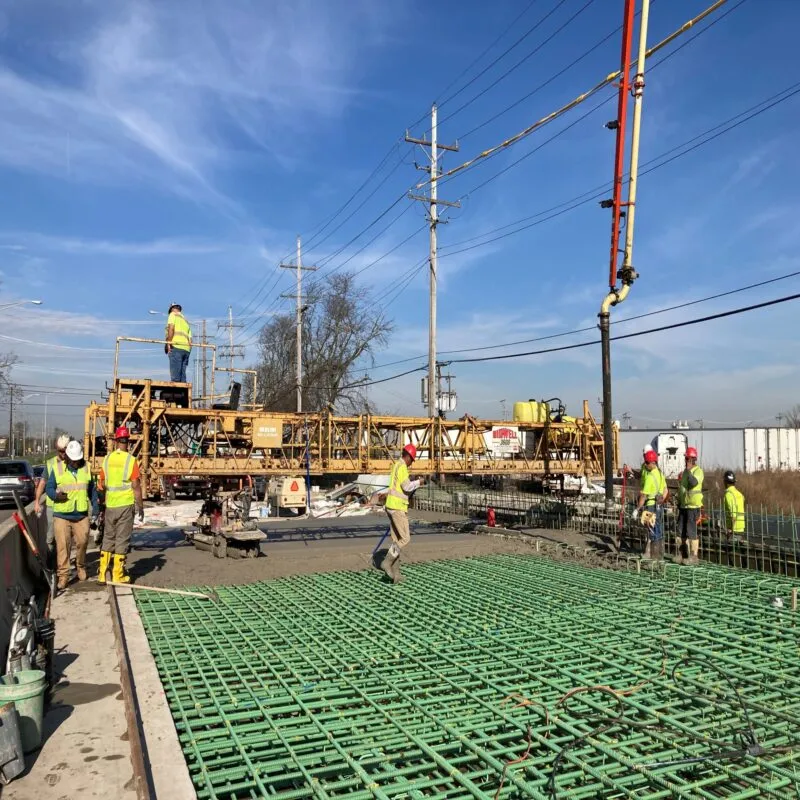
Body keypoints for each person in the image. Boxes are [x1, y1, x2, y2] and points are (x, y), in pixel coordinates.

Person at [45, 440, 99, 591]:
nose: (75, 462)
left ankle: (80, 566)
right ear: (67, 457)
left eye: (78, 460)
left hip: (81, 514)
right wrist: (55, 495)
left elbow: (92, 490)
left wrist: (95, 508)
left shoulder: (86, 468)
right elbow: (49, 488)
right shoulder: (57, 469)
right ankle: (63, 576)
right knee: (63, 547)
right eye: (73, 460)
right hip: (62, 514)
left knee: (82, 542)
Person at [96, 426, 144, 585]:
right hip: (125, 505)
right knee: (122, 539)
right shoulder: (131, 460)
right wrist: (140, 506)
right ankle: (118, 574)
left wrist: (103, 502)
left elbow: (100, 484)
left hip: (111, 504)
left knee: (108, 537)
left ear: (116, 441)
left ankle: (102, 574)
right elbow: (136, 485)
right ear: (127, 442)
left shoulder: (107, 459)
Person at [381, 444, 424, 584]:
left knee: (397, 540)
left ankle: (396, 573)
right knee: (405, 538)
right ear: (409, 457)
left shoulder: (396, 466)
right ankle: (387, 562)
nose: (412, 463)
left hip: (391, 506)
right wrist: (419, 482)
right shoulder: (402, 467)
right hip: (397, 508)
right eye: (412, 460)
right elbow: (407, 486)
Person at [34, 433, 71, 565]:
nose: (62, 454)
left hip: (68, 506)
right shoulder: (50, 464)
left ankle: (63, 563)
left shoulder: (74, 463)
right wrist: (37, 502)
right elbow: (42, 484)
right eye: (60, 451)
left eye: (65, 451)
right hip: (52, 507)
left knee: (65, 538)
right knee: (51, 538)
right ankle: (51, 563)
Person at [632, 449, 668, 560]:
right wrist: (662, 499)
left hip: (651, 506)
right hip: (659, 505)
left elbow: (644, 496)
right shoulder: (660, 474)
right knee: (659, 530)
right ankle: (660, 556)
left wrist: (637, 509)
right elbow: (665, 489)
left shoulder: (650, 477)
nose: (646, 465)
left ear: (653, 463)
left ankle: (654, 558)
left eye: (647, 462)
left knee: (652, 531)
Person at [677, 446, 704, 564]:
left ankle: (694, 556)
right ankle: (682, 554)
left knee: (691, 530)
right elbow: (682, 488)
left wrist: (687, 471)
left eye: (687, 459)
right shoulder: (684, 473)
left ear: (692, 459)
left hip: (693, 506)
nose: (685, 461)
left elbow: (693, 483)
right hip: (684, 506)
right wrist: (679, 502)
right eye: (686, 459)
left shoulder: (698, 471)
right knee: (680, 530)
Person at [165, 302, 192, 382]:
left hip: (176, 347)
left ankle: (175, 393)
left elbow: (171, 328)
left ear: (172, 309)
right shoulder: (186, 320)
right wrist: (188, 352)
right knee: (182, 378)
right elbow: (190, 340)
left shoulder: (172, 315)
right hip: (186, 350)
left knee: (175, 379)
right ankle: (183, 394)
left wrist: (168, 344)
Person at [722, 470, 745, 539]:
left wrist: (731, 529)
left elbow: (733, 514)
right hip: (741, 527)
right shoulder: (740, 494)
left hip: (733, 528)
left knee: (731, 548)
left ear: (726, 482)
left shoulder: (729, 494)